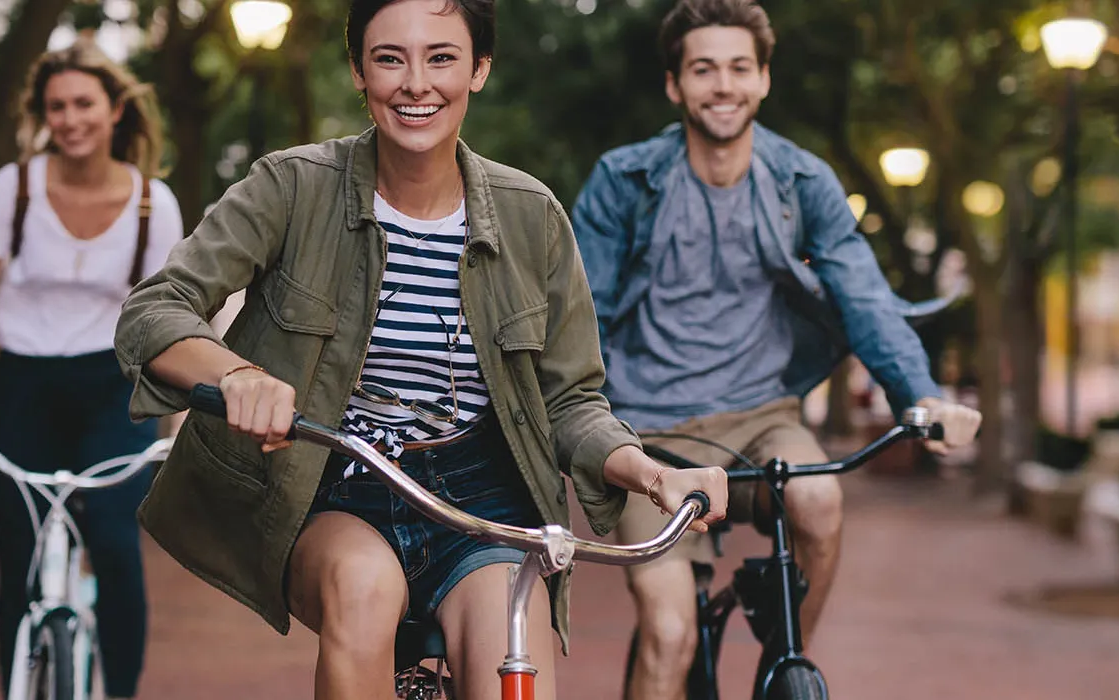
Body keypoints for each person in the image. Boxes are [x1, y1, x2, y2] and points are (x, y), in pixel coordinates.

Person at [113, 1, 729, 698]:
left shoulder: (533, 217)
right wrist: (237, 375)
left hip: (483, 497)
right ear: (357, 72)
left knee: (512, 666)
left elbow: (572, 402)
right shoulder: (291, 187)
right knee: (362, 590)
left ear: (479, 70)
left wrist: (652, 475)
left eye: (441, 57)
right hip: (337, 482)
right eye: (388, 58)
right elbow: (152, 312)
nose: (415, 83)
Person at [568, 1, 984, 697]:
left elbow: (864, 298)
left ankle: (784, 668)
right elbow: (580, 323)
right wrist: (580, 431)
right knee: (667, 634)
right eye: (703, 69)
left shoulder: (802, 182)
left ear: (763, 79)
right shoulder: (625, 181)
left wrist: (920, 397)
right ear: (675, 86)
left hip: (763, 418)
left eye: (738, 68)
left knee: (821, 500)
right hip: (647, 433)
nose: (722, 85)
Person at [0, 42, 181, 700]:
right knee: (18, 561)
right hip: (23, 387)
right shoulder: (14, 186)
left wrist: (185, 414)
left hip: (114, 392)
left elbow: (172, 314)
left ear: (114, 111)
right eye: (58, 107)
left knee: (112, 543)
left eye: (85, 103)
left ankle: (119, 692)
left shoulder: (151, 204)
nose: (72, 119)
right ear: (43, 117)